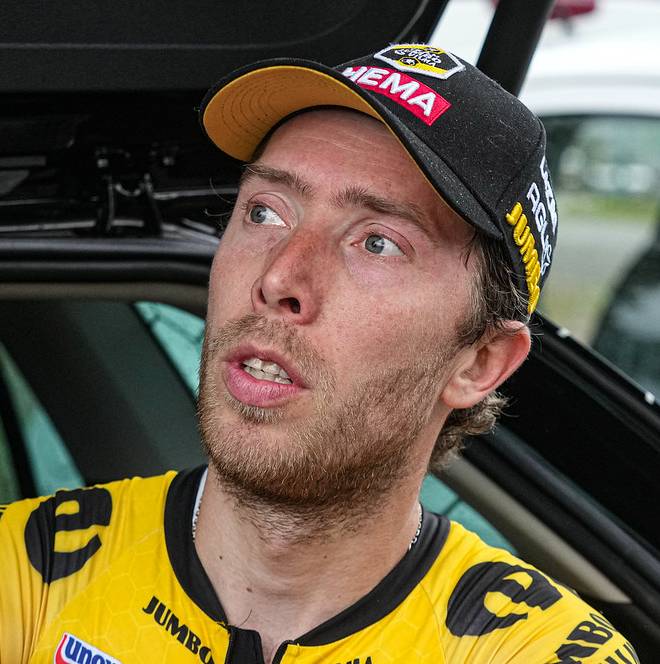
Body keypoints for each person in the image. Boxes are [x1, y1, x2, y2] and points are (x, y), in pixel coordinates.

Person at [0, 44, 637, 664]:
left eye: (378, 242)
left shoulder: (533, 649)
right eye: (265, 212)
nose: (279, 277)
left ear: (481, 362)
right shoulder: (32, 562)